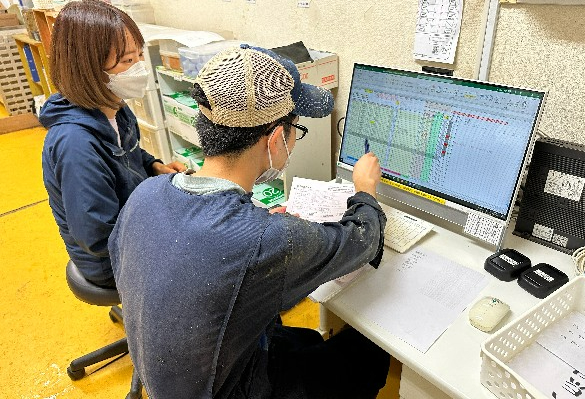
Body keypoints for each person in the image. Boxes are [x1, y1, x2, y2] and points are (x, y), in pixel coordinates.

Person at [109, 44, 390, 398]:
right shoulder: (262, 240)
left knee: (305, 339)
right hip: (232, 388)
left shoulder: (145, 194)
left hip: (173, 381)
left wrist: (262, 231)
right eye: (296, 128)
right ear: (274, 139)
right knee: (370, 353)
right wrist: (365, 190)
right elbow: (363, 239)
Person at [41, 0, 185, 288]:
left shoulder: (113, 106)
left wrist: (154, 166)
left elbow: (127, 152)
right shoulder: (76, 145)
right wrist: (166, 219)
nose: (140, 68)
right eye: (127, 61)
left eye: (139, 55)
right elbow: (98, 237)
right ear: (88, 69)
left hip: (131, 226)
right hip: (110, 261)